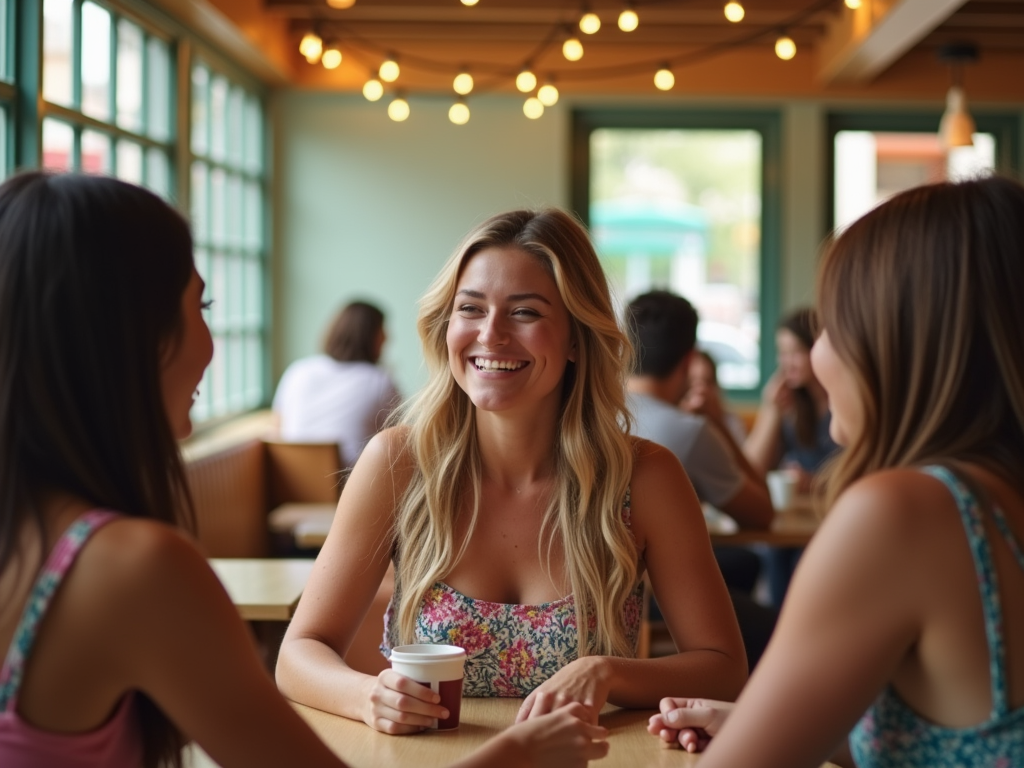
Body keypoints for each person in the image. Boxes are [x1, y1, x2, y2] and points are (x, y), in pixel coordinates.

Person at [0, 172, 608, 768]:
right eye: (199, 305)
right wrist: (513, 757)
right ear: (126, 335)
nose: (212, 343)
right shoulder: (134, 567)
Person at [276, 208, 747, 734]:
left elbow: (724, 669)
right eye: (470, 309)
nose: (491, 334)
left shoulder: (645, 476)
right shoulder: (397, 463)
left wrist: (608, 672)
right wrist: (367, 695)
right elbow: (298, 653)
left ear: (575, 337)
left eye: (525, 313)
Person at [649, 176, 1024, 767]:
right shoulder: (994, 500)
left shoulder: (906, 513)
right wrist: (770, 722)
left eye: (831, 324)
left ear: (899, 339)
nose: (816, 355)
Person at [624, 291, 776, 668]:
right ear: (690, 360)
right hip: (656, 593)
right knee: (777, 627)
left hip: (606, 593)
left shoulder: (587, 418)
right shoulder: (688, 431)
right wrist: (717, 424)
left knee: (742, 565)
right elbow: (760, 515)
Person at [743, 307, 840, 606]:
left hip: (833, 519)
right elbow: (750, 469)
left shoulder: (843, 407)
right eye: (782, 354)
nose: (787, 364)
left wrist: (814, 483)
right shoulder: (793, 409)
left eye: (795, 352)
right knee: (776, 551)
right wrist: (770, 411)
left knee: (801, 558)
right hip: (798, 522)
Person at [273, 300, 400, 470]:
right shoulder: (379, 380)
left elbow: (276, 428)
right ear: (371, 336)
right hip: (352, 488)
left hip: (292, 483)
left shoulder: (297, 371)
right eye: (382, 330)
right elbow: (402, 438)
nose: (387, 337)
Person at [682, 350, 748, 447]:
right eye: (693, 381)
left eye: (707, 382)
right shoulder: (673, 422)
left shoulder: (730, 422)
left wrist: (719, 423)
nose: (700, 390)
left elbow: (742, 460)